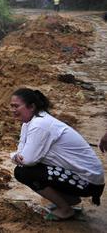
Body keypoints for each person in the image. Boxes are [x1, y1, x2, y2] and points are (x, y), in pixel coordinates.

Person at [10, 88, 104, 221]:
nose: (13, 110)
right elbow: (21, 150)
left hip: (89, 182)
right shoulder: (30, 122)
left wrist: (15, 156)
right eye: (11, 106)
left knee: (24, 172)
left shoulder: (40, 124)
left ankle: (66, 209)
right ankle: (69, 200)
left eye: (16, 106)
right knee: (27, 168)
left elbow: (28, 160)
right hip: (83, 177)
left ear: (31, 106)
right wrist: (15, 155)